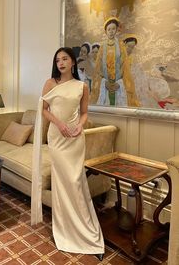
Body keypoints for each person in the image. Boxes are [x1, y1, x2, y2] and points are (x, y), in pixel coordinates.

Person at [31, 47, 105, 261]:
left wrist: (80, 127)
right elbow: (44, 109)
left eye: (65, 59)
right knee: (64, 183)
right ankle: (66, 229)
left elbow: (84, 114)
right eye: (57, 60)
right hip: (57, 137)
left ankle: (84, 228)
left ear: (73, 62)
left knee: (76, 182)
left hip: (75, 139)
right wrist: (60, 124)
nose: (60, 63)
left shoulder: (82, 86)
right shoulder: (50, 83)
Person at [90, 17, 139, 107]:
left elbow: (125, 66)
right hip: (105, 84)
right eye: (109, 29)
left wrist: (119, 83)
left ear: (116, 30)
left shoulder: (121, 46)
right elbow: (98, 68)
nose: (111, 31)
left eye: (113, 29)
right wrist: (105, 82)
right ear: (106, 31)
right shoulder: (102, 47)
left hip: (118, 84)